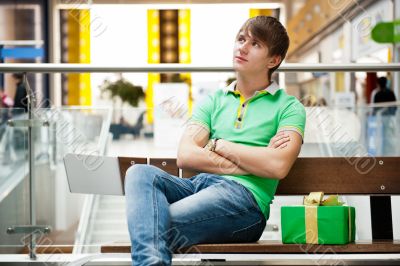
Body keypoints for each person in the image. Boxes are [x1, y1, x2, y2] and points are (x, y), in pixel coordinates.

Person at [124, 16, 306, 266]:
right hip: (199, 185)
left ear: (274, 60)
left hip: (245, 202)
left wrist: (219, 144)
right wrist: (255, 163)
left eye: (255, 44)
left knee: (151, 222)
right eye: (241, 39)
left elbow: (277, 167)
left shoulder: (289, 107)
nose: (242, 47)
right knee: (140, 173)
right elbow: (185, 155)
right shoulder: (213, 101)